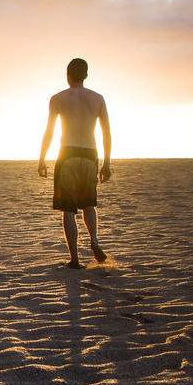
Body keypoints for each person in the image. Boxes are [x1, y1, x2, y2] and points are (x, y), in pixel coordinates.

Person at [38, 58, 111, 269]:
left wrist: (42, 158)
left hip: (67, 153)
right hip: (90, 154)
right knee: (89, 203)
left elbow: (50, 131)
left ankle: (75, 259)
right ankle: (94, 240)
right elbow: (106, 132)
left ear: (67, 75)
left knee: (68, 209)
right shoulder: (97, 98)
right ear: (86, 75)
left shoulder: (57, 98)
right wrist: (107, 162)